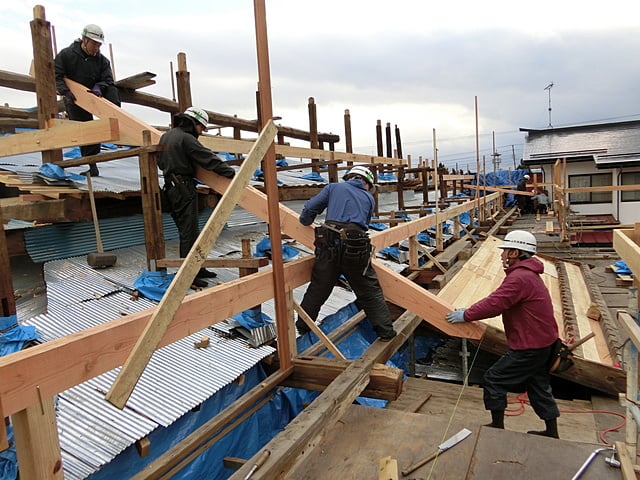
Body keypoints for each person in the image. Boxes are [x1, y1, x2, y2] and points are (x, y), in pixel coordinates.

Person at [446, 230, 561, 438]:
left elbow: (496, 303)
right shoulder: (527, 275)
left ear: (515, 252)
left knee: (494, 379)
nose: (502, 255)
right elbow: (498, 299)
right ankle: (551, 432)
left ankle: (497, 427)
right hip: (545, 342)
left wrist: (467, 314)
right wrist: (470, 312)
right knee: (538, 385)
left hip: (531, 346)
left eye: (505, 251)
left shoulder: (520, 278)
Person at [296, 166, 396, 341]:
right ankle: (386, 332)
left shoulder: (333, 188)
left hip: (329, 242)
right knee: (368, 290)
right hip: (356, 245)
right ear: (365, 182)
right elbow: (363, 223)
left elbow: (310, 208)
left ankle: (303, 328)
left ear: (350, 177)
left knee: (319, 287)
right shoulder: (369, 198)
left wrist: (305, 220)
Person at [157, 106, 236, 287]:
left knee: (188, 230)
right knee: (189, 232)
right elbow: (208, 158)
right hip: (183, 187)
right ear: (194, 123)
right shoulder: (186, 138)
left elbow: (160, 161)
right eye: (201, 127)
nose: (201, 131)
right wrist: (230, 172)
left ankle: (197, 267)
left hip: (171, 187)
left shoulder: (167, 136)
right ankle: (188, 276)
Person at [55, 24, 122, 177]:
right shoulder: (66, 55)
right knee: (85, 130)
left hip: (95, 95)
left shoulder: (102, 61)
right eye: (94, 44)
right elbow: (56, 75)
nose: (97, 48)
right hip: (75, 97)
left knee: (113, 93)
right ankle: (92, 166)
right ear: (84, 40)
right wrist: (65, 91)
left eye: (99, 45)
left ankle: (119, 124)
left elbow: (108, 79)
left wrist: (100, 86)